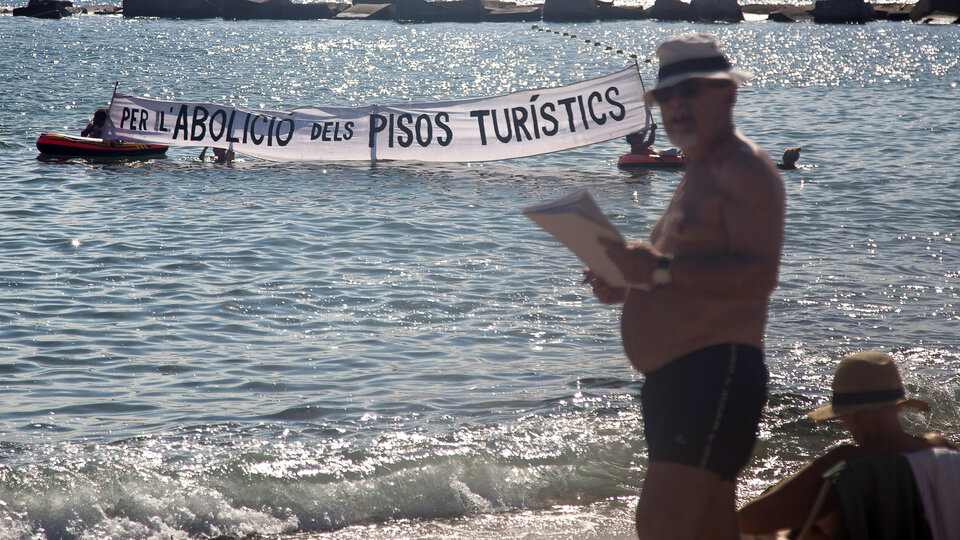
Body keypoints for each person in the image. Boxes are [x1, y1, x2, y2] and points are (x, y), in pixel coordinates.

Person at [583, 33, 785, 540]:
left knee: (662, 523)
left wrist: (655, 272)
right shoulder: (698, 173)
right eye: (665, 96)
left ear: (727, 94)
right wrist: (628, 284)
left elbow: (758, 276)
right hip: (680, 380)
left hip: (713, 372)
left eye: (689, 90)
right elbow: (675, 272)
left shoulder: (743, 168)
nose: (676, 105)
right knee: (709, 526)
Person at [738, 351, 960, 539]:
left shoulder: (846, 467)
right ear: (898, 406)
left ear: (849, 415)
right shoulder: (944, 450)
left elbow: (747, 520)